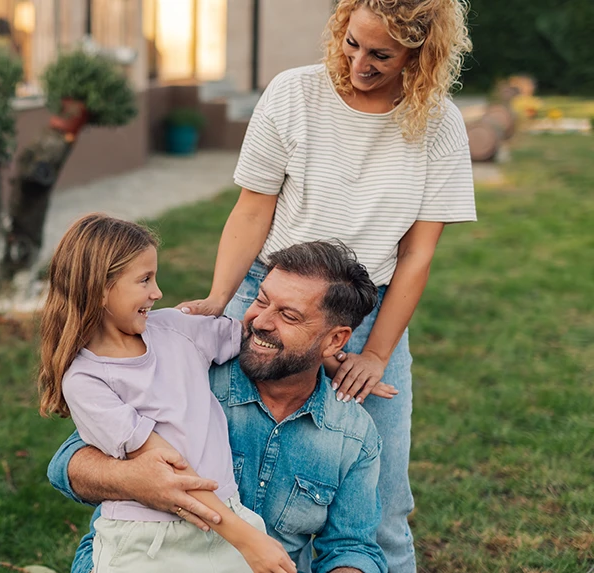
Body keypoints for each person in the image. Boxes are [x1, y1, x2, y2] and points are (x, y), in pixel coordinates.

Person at [175, 2, 476, 571]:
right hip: (272, 298)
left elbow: (417, 253)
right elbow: (253, 207)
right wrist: (220, 299)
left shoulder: (440, 123)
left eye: (381, 55)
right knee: (233, 476)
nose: (358, 62)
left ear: (421, 53)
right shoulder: (293, 94)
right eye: (352, 43)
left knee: (381, 503)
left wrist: (378, 352)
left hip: (368, 314)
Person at [49, 240, 388, 573]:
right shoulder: (192, 365)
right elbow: (66, 465)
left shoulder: (352, 434)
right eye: (261, 300)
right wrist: (134, 479)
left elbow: (351, 547)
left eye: (288, 315)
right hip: (143, 554)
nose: (261, 322)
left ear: (334, 340)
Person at [38, 214, 296, 573]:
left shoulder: (176, 329)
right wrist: (249, 540)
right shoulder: (86, 380)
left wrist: (333, 356)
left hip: (222, 518)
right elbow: (170, 471)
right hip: (147, 541)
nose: (157, 293)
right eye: (144, 280)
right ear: (98, 288)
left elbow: (257, 340)